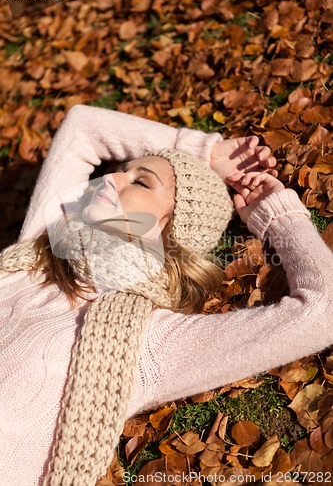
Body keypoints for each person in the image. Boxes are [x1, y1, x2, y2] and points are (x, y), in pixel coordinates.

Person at [0, 106, 332, 486]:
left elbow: (324, 308)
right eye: (116, 174)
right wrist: (207, 152)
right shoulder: (37, 252)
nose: (110, 181)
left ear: (168, 229)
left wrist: (277, 214)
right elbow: (82, 126)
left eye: (141, 183)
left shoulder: (146, 341)